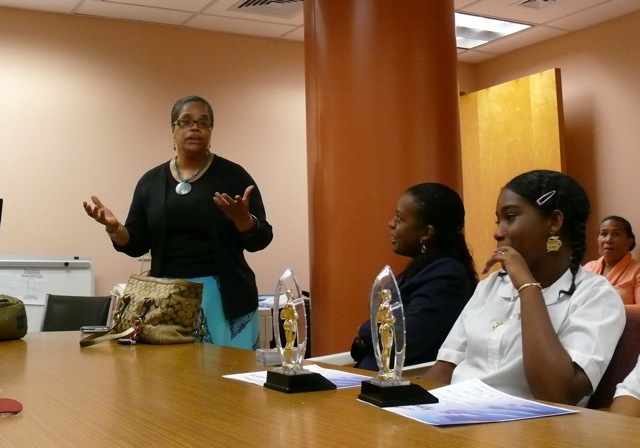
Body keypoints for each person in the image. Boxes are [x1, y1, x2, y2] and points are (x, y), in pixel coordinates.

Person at [83, 95, 273, 350]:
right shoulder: (151, 181)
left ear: (210, 131)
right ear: (173, 129)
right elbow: (136, 243)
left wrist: (244, 221)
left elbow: (262, 237)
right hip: (167, 297)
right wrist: (114, 228)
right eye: (186, 122)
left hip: (224, 296)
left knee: (226, 382)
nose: (195, 128)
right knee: (174, 382)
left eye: (203, 123)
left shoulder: (233, 176)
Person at [422, 170, 625, 406]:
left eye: (510, 217)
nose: (497, 232)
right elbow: (445, 370)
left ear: (554, 222)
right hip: (455, 416)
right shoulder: (490, 287)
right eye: (499, 221)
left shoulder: (595, 296)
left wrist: (527, 286)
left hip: (530, 431)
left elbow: (557, 394)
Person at [350, 183, 478, 371]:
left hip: (406, 385)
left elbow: (401, 337)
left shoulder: (447, 274)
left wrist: (364, 331)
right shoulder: (424, 267)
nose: (391, 223)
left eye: (400, 219)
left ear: (426, 232)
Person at [583, 216, 640, 306]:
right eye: (604, 234)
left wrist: (607, 311)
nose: (608, 240)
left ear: (628, 242)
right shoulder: (588, 268)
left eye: (616, 234)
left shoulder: (637, 270)